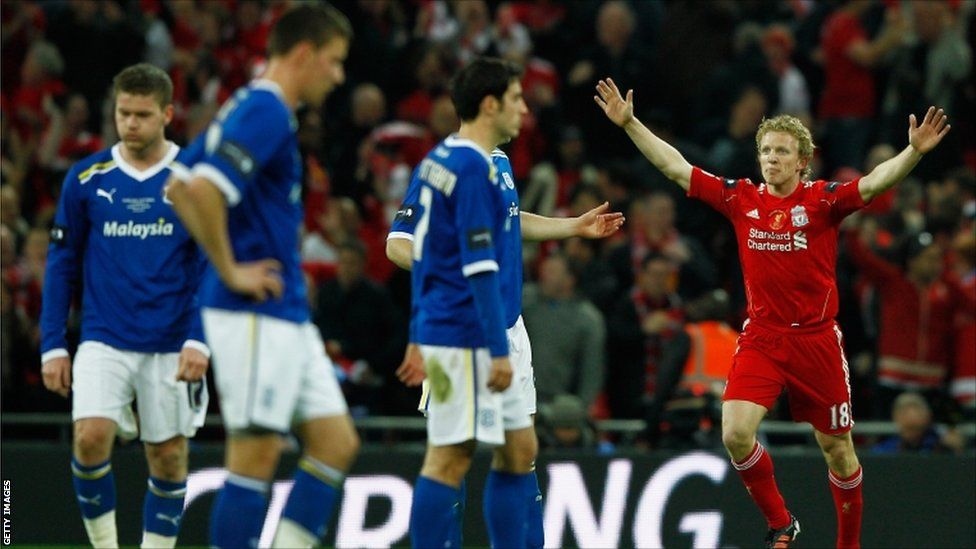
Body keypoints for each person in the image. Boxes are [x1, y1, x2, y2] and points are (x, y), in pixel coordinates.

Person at [595, 76, 950, 548]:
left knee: (838, 451)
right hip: (763, 336)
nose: (771, 159)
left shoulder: (822, 201)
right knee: (736, 434)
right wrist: (630, 123)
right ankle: (781, 522)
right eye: (765, 151)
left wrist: (914, 153)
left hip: (817, 341)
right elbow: (677, 169)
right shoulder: (742, 199)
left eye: (782, 152)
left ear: (802, 162)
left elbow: (873, 182)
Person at [385, 57, 622, 549]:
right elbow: (397, 243)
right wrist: (444, 268)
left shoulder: (496, 162)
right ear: (490, 104)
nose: (524, 108)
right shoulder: (448, 166)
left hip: (507, 327)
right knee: (451, 457)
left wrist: (571, 225)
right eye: (516, 98)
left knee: (520, 451)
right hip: (462, 331)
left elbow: (511, 220)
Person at [165, 5, 359, 548]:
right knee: (255, 456)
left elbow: (178, 185)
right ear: (304, 54)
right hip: (252, 311)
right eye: (335, 62)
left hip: (285, 312)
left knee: (335, 441)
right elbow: (200, 192)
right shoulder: (267, 110)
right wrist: (229, 268)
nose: (338, 76)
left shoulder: (249, 104)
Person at [40, 63, 210, 549]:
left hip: (172, 341)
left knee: (169, 457)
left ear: (167, 114)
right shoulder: (87, 178)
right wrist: (53, 343)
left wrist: (200, 337)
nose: (130, 123)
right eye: (123, 113)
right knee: (90, 437)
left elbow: (212, 265)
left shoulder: (192, 179)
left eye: (142, 114)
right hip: (104, 336)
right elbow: (60, 261)